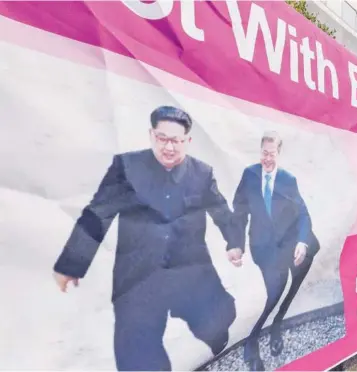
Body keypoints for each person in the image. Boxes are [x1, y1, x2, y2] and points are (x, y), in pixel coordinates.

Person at [52, 106, 239, 371]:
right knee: (136, 354)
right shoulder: (126, 168)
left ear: (188, 141)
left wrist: (235, 243)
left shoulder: (202, 173)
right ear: (151, 135)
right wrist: (71, 264)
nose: (169, 147)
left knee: (218, 325)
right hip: (138, 276)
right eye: (162, 138)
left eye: (176, 140)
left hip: (191, 272)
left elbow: (221, 211)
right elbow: (98, 214)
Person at [229, 131, 320, 371]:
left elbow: (303, 213)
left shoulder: (288, 179)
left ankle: (278, 321)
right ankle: (252, 342)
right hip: (264, 246)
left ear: (279, 154)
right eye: (264, 153)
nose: (267, 158)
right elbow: (239, 211)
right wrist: (235, 243)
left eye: (272, 153)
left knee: (295, 279)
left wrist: (302, 241)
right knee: (274, 291)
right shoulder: (250, 175)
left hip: (291, 243)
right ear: (260, 151)